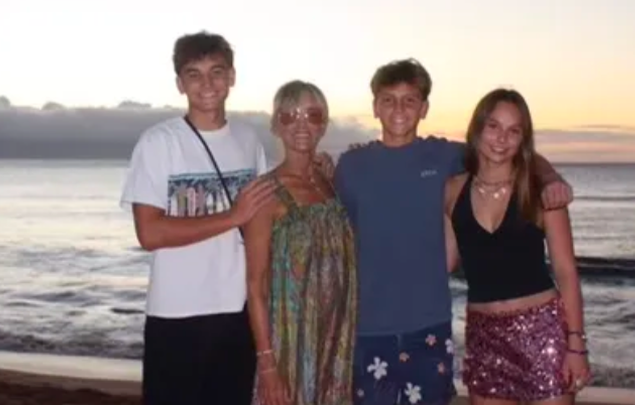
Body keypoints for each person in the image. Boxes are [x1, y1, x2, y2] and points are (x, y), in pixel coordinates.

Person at [333, 59, 573, 405]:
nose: (399, 109)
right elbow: (328, 223)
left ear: (424, 108)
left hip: (430, 326)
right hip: (369, 327)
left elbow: (513, 153)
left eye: (410, 100)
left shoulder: (444, 156)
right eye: (388, 100)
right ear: (375, 107)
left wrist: (550, 178)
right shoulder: (350, 167)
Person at [120, 31, 277, 405]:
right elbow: (150, 232)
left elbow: (262, 217)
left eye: (216, 72)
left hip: (238, 312)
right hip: (177, 314)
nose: (207, 84)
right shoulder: (159, 142)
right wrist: (232, 215)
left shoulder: (248, 139)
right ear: (180, 83)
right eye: (194, 74)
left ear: (231, 77)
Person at [444, 88, 590, 405]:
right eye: (493, 126)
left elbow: (566, 271)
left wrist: (576, 345)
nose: (501, 139)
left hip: (542, 332)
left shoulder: (539, 189)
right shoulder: (452, 191)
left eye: (514, 131)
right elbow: (446, 261)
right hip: (484, 338)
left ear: (523, 139)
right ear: (477, 128)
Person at [245, 80, 358, 405]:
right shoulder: (265, 193)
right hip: (290, 342)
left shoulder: (329, 182)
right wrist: (267, 364)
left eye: (312, 115)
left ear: (323, 124)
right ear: (275, 125)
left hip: (336, 339)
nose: (301, 124)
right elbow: (255, 286)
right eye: (289, 116)